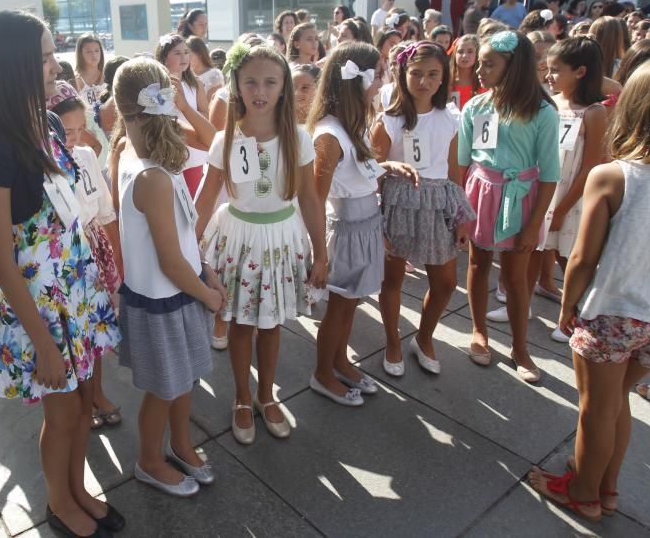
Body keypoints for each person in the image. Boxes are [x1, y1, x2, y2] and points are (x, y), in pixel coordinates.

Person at [0, 11, 123, 536]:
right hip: (39, 303)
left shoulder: (51, 121)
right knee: (59, 414)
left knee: (84, 403)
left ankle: (79, 487)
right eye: (40, 55)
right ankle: (59, 501)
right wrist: (42, 343)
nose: (52, 63)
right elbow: (0, 257)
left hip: (75, 287)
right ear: (13, 66)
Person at [528, 62, 650, 521]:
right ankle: (609, 486)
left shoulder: (613, 176)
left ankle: (583, 491)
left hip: (611, 311)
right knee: (618, 403)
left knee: (594, 410)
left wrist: (567, 302)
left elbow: (581, 258)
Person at [196, 44, 324, 443]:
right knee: (240, 323)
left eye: (270, 81)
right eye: (250, 81)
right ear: (235, 83)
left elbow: (309, 197)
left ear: (284, 86)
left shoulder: (299, 138)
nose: (260, 90)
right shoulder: (225, 138)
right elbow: (205, 196)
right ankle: (241, 396)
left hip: (281, 239)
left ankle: (267, 395)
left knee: (271, 324)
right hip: (238, 239)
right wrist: (187, 245)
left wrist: (321, 251)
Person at [112, 57, 224, 497]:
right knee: (164, 389)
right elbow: (169, 261)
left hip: (181, 291)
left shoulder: (135, 151)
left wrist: (206, 271)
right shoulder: (152, 174)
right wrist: (209, 296)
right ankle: (148, 460)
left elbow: (184, 238)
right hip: (165, 299)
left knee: (185, 379)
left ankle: (180, 444)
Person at [305, 42, 418, 405]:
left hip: (366, 223)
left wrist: (385, 167)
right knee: (338, 309)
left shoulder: (353, 124)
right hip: (346, 231)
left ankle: (340, 361)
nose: (383, 82)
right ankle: (322, 373)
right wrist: (319, 256)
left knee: (351, 305)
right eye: (379, 74)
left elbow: (354, 173)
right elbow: (315, 199)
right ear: (358, 81)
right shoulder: (329, 135)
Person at [459, 30, 560, 383]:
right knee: (477, 262)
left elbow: (550, 174)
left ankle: (520, 347)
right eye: (480, 63)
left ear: (513, 66)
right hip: (480, 193)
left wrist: (533, 224)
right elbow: (462, 161)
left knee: (517, 277)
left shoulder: (544, 112)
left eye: (489, 63)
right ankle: (479, 331)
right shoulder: (475, 107)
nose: (479, 69)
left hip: (521, 199)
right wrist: (459, 209)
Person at [373, 41, 474, 377]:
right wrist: (378, 207)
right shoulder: (389, 119)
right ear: (403, 74)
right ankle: (392, 341)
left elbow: (453, 167)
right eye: (416, 73)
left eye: (433, 74)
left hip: (438, 203)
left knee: (445, 281)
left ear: (444, 76)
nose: (424, 81)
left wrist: (462, 215)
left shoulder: (451, 117)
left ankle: (424, 337)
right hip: (399, 201)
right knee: (392, 279)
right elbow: (372, 168)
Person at [48, 88, 123, 430]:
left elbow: (106, 212)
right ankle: (78, 395)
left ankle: (96, 391)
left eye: (80, 129)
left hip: (95, 245)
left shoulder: (88, 156)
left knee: (96, 328)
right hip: (65, 256)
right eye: (66, 130)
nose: (75, 138)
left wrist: (117, 264)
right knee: (72, 332)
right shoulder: (45, 167)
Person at [533, 38, 608, 343]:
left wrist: (562, 208)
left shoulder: (594, 112)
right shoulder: (550, 102)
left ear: (580, 72)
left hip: (571, 197)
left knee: (570, 258)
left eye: (555, 70)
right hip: (544, 191)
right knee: (540, 250)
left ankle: (576, 313)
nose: (549, 76)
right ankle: (525, 303)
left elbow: (590, 165)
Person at [156, 33, 215, 196]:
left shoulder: (195, 84)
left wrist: (185, 107)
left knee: (193, 198)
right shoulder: (157, 87)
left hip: (195, 150)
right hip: (169, 149)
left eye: (186, 52)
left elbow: (205, 115)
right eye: (177, 53)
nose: (184, 57)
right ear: (164, 58)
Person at [74, 33, 107, 106]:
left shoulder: (108, 75)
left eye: (97, 50)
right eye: (89, 51)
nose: (94, 55)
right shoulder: (76, 80)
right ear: (80, 54)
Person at [449, 34, 482, 109]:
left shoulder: (484, 82)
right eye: (460, 51)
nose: (464, 55)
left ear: (477, 54)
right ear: (455, 55)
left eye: (470, 51)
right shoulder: (447, 81)